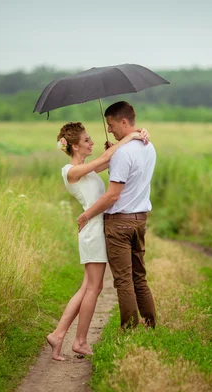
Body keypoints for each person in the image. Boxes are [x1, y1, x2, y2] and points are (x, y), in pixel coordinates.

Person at [46, 121, 148, 361]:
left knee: (87, 287)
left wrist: (133, 138)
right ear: (74, 146)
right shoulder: (70, 171)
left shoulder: (86, 169)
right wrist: (131, 136)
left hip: (95, 229)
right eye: (86, 140)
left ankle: (58, 335)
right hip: (92, 230)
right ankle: (79, 341)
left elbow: (108, 160)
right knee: (94, 287)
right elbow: (106, 159)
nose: (91, 142)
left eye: (90, 139)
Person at [77, 101, 157, 330]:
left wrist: (86, 215)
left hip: (119, 223)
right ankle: (150, 325)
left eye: (111, 125)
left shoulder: (123, 153)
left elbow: (112, 196)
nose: (109, 129)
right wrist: (112, 152)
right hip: (140, 220)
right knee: (139, 276)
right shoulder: (148, 146)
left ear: (124, 122)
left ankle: (130, 330)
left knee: (123, 280)